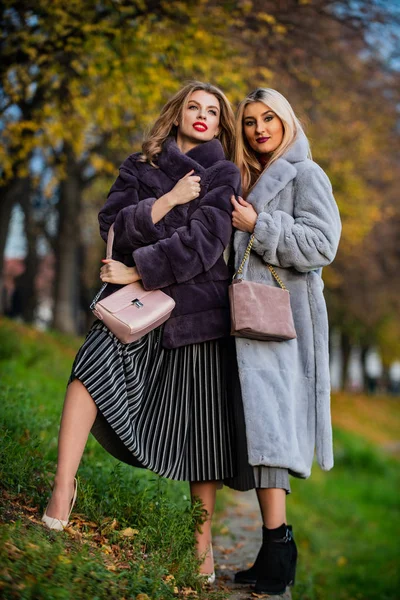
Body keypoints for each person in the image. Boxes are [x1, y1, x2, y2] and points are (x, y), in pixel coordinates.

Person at [42, 81, 241, 583]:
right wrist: (168, 200)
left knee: (203, 428)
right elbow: (112, 222)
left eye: (212, 111)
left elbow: (206, 242)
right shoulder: (140, 166)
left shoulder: (223, 173)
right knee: (89, 367)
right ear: (177, 116)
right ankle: (62, 488)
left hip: (195, 310)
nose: (201, 116)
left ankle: (200, 542)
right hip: (134, 309)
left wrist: (138, 268)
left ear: (220, 124)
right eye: (193, 107)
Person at [229, 88, 341, 595]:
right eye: (250, 121)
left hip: (283, 321)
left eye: (269, 118)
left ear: (287, 120)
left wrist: (261, 224)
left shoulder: (306, 173)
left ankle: (279, 550)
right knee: (259, 435)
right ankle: (273, 550)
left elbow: (322, 245)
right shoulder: (249, 175)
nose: (259, 129)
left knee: (272, 434)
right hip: (250, 320)